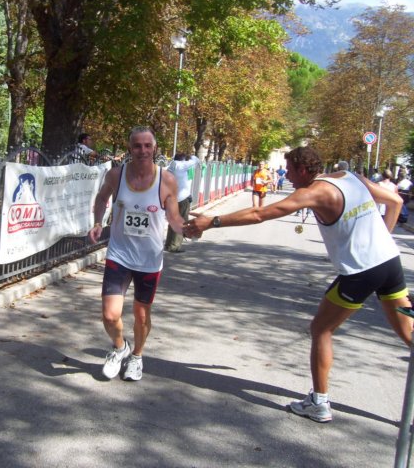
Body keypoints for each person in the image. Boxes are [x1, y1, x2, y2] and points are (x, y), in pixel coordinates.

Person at [183, 145, 413, 423]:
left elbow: (260, 214)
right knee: (409, 335)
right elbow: (395, 202)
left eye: (290, 171)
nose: (288, 176)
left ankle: (319, 403)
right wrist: (380, 240)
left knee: (321, 329)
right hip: (389, 262)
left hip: (361, 272)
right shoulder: (350, 177)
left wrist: (212, 222)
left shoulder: (313, 192)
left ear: (303, 170)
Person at [89, 126, 185, 381]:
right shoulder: (116, 175)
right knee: (110, 315)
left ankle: (137, 357)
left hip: (149, 260)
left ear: (155, 148)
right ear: (129, 148)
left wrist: (188, 228)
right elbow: (101, 199)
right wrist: (98, 222)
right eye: (137, 146)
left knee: (142, 315)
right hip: (119, 254)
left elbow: (174, 218)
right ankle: (120, 347)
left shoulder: (166, 180)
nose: (142, 150)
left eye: (147, 145)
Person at [164, 152, 200, 253]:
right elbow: (195, 160)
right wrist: (191, 156)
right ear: (183, 159)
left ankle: (168, 244)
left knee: (172, 221)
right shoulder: (182, 165)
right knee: (182, 222)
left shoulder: (171, 166)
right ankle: (175, 246)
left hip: (171, 199)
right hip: (182, 198)